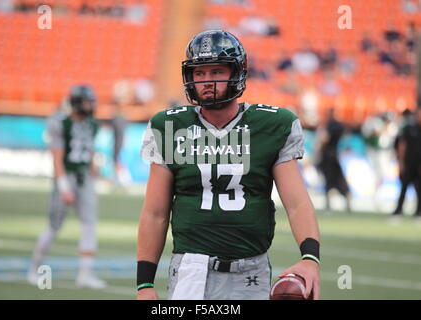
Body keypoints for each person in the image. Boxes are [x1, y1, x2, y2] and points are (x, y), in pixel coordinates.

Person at [136, 30, 320, 300]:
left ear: (237, 73)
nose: (207, 81)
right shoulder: (169, 127)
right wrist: (144, 285)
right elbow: (155, 213)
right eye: (199, 73)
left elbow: (297, 203)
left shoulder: (272, 125)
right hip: (191, 269)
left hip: (250, 271)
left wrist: (309, 257)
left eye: (216, 72)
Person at [27, 85, 106, 289]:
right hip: (67, 177)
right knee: (54, 226)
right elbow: (57, 157)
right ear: (78, 103)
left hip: (84, 178)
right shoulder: (61, 123)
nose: (91, 106)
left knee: (89, 225)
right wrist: (63, 187)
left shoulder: (91, 124)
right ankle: (34, 270)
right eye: (88, 102)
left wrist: (94, 173)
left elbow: (89, 152)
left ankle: (85, 274)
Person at [316, 108, 351, 212]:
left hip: (327, 155)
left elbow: (324, 139)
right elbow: (345, 135)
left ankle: (328, 204)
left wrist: (318, 152)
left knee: (328, 179)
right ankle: (347, 201)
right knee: (339, 179)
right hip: (335, 154)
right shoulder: (339, 125)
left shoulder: (328, 125)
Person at [396, 107, 421, 221]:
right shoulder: (408, 128)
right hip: (409, 163)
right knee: (404, 187)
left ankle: (418, 212)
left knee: (419, 189)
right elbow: (402, 146)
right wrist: (401, 162)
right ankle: (398, 211)